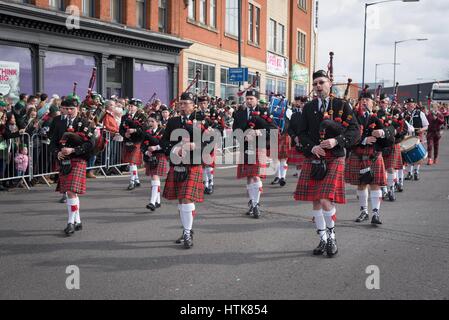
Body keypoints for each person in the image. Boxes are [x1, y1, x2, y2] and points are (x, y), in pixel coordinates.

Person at [293, 70, 360, 257]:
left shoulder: (342, 105)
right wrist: (312, 147)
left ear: (330, 83)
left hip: (335, 156)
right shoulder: (308, 108)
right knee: (315, 201)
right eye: (315, 84)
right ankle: (322, 239)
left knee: (324, 199)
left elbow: (355, 132)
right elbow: (302, 133)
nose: (318, 86)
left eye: (321, 82)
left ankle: (331, 236)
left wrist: (336, 141)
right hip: (315, 157)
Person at [160, 92, 210, 248]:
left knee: (187, 197)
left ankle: (187, 232)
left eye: (185, 103)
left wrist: (196, 145)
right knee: (181, 199)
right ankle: (186, 230)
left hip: (193, 164)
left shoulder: (200, 121)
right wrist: (174, 149)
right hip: (177, 164)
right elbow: (164, 141)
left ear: (193, 105)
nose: (182, 106)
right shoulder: (173, 121)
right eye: (180, 104)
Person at [346, 92, 395, 225]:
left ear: (373, 103)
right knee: (361, 185)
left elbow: (392, 129)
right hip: (358, 153)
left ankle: (375, 213)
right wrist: (363, 140)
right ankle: (364, 211)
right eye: (362, 99)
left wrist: (383, 132)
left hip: (374, 154)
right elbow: (347, 134)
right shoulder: (353, 116)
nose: (364, 102)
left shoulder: (380, 116)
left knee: (375, 184)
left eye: (367, 100)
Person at [233, 89, 275, 218]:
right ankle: (252, 202)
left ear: (257, 100)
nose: (249, 101)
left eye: (252, 98)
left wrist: (258, 132)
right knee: (249, 176)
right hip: (245, 147)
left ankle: (256, 204)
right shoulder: (239, 113)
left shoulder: (264, 112)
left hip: (259, 146)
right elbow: (235, 129)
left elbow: (273, 129)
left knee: (256, 175)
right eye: (248, 98)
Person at [55, 97, 94, 236]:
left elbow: (90, 144)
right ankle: (78, 220)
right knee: (71, 193)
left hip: (78, 159)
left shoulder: (84, 123)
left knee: (71, 191)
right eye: (67, 109)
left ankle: (70, 222)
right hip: (64, 160)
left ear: (77, 109)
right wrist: (57, 152)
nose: (70, 111)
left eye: (72, 109)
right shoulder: (58, 122)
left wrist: (73, 150)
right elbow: (52, 142)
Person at [142, 113, 168, 211]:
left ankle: (152, 202)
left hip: (160, 155)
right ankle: (158, 201)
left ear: (157, 122)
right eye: (149, 121)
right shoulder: (147, 132)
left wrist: (155, 147)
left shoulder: (163, 131)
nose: (150, 123)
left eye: (152, 121)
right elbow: (142, 145)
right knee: (154, 179)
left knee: (155, 177)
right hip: (151, 156)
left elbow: (164, 144)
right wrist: (146, 151)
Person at [119, 99, 147, 190]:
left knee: (132, 162)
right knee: (132, 162)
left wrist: (134, 130)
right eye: (129, 106)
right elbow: (121, 129)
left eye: (132, 106)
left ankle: (132, 181)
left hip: (137, 141)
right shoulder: (124, 117)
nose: (130, 107)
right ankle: (137, 180)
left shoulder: (142, 116)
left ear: (136, 107)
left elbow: (144, 129)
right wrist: (124, 134)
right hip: (127, 141)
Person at [403, 98, 429, 181]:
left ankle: (416, 171)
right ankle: (409, 173)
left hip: (417, 136)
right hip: (407, 137)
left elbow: (426, 125)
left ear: (414, 105)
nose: (409, 105)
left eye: (411, 104)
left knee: (418, 155)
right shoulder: (404, 114)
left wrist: (421, 130)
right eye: (408, 104)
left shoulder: (420, 113)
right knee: (408, 154)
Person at [288, 96, 307, 178]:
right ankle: (300, 180)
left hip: (308, 143)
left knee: (306, 165)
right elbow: (290, 128)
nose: (303, 105)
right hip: (296, 142)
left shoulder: (311, 115)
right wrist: (294, 137)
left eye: (305, 103)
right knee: (299, 165)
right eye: (302, 103)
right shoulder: (294, 115)